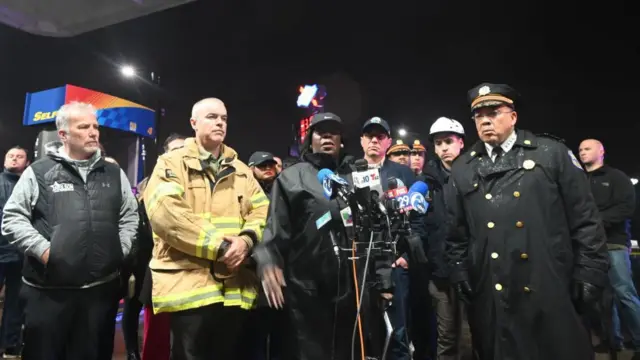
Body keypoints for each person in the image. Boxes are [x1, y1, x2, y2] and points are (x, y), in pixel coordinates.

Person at [445, 83, 609, 360]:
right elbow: (456, 231)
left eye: (494, 112)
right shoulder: (463, 168)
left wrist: (590, 271)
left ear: (513, 116)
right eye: (478, 115)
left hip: (549, 281)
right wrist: (460, 271)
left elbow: (585, 219)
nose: (485, 119)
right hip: (493, 287)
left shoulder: (551, 153)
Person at [1, 101, 139, 360]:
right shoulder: (39, 171)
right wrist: (45, 252)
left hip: (99, 294)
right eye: (84, 126)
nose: (93, 132)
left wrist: (119, 249)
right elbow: (12, 218)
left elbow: (129, 215)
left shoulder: (113, 172)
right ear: (63, 134)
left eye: (95, 126)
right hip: (49, 294)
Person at [144, 98, 269, 360]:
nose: (220, 123)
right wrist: (222, 247)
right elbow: (168, 215)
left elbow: (262, 211)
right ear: (194, 123)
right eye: (212, 117)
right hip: (190, 287)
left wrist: (246, 240)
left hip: (235, 289)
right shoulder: (170, 163)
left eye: (223, 118)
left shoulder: (242, 170)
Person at [256, 112, 358, 360]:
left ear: (341, 139)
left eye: (332, 131)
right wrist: (267, 260)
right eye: (319, 131)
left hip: (353, 288)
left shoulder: (356, 175)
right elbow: (276, 229)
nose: (326, 136)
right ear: (309, 139)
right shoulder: (292, 177)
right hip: (307, 291)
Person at [124, 133, 186, 360]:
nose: (180, 154)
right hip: (153, 266)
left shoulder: (202, 182)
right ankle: (132, 351)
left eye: (184, 148)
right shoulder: (151, 184)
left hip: (192, 271)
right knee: (154, 331)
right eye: (175, 149)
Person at [579, 138, 640, 357]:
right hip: (587, 246)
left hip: (613, 243)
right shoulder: (578, 180)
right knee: (600, 297)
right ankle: (613, 341)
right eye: (580, 150)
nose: (582, 152)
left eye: (587, 149)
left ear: (601, 151)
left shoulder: (616, 177)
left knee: (623, 292)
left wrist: (595, 222)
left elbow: (626, 207)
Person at [422, 117, 467, 360]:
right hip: (440, 273)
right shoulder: (426, 182)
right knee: (447, 337)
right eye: (438, 143)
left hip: (474, 270)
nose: (443, 148)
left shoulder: (475, 174)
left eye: (448, 141)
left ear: (461, 143)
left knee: (478, 333)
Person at [0, 146, 30, 359]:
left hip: (20, 255)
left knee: (14, 304)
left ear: (26, 163)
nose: (14, 159)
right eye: (10, 156)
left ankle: (10, 346)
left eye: (19, 156)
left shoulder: (29, 185)